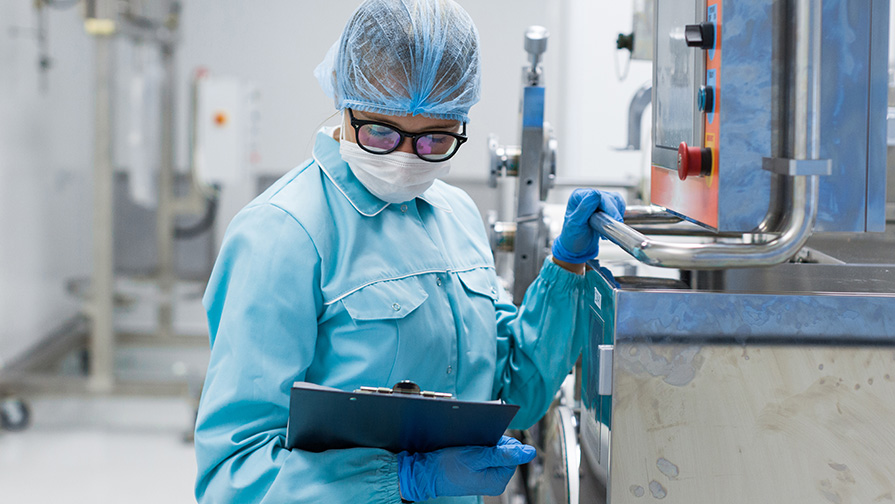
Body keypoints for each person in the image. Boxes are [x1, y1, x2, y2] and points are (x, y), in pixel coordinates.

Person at [193, 0, 625, 502]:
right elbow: (234, 473)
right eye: (380, 131)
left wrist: (567, 268)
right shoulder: (281, 234)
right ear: (345, 101)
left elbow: (512, 392)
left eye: (434, 140)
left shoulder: (455, 213)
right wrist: (399, 480)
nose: (403, 159)